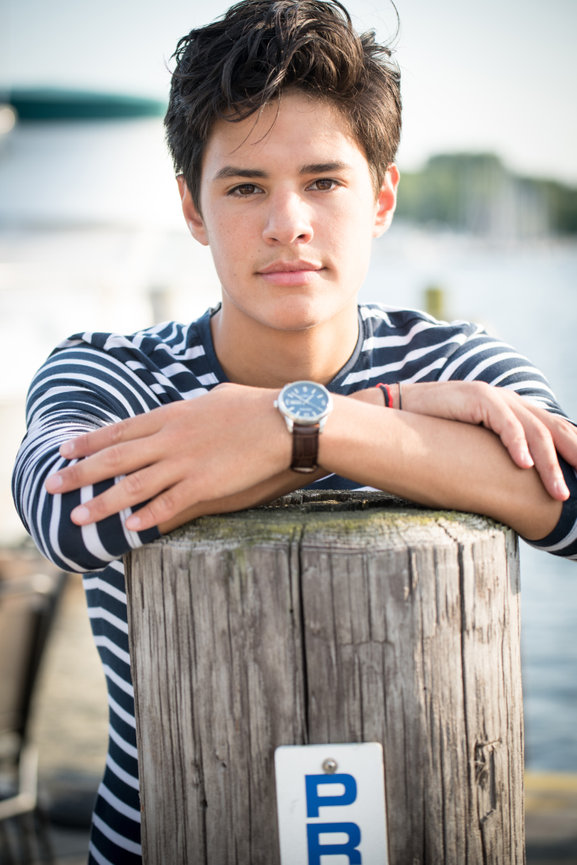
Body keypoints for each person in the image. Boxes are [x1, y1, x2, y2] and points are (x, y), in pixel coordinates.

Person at [12, 0, 577, 861]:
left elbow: (569, 503)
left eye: (324, 181)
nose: (288, 224)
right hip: (164, 838)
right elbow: (65, 516)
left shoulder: (454, 359)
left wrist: (294, 429)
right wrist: (372, 424)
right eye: (244, 187)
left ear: (381, 195)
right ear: (193, 209)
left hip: (433, 832)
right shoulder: (114, 372)